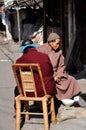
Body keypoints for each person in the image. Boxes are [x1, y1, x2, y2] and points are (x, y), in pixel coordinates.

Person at [14, 39, 56, 111]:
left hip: (28, 91)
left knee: (17, 89)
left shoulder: (20, 60)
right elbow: (51, 72)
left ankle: (19, 110)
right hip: (46, 90)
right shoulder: (44, 56)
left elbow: (18, 77)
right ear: (34, 47)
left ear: (23, 49)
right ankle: (46, 108)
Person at [37, 32, 81, 100]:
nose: (58, 45)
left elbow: (61, 66)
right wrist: (53, 77)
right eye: (56, 43)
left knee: (71, 80)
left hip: (57, 74)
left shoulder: (58, 52)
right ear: (50, 42)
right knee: (53, 84)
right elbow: (42, 67)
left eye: (59, 44)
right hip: (46, 76)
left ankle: (72, 98)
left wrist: (59, 75)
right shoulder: (41, 50)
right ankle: (58, 99)